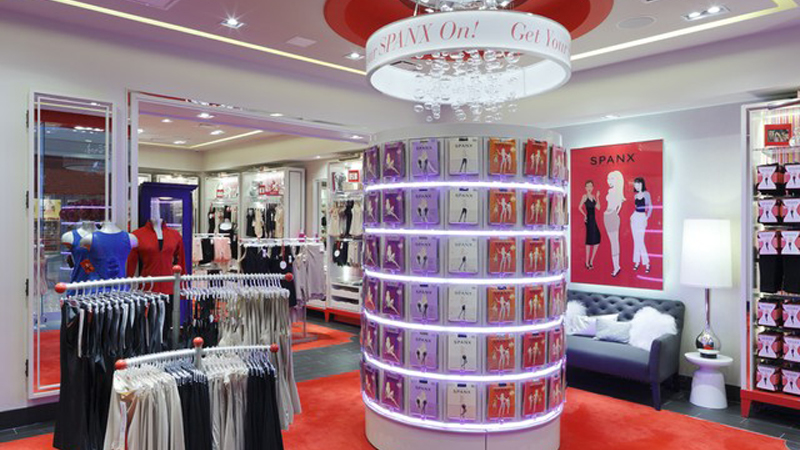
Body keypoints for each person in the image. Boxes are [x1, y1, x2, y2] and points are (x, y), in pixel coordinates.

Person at [604, 171, 625, 277]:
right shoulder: (613, 191)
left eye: (612, 178)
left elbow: (618, 206)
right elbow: (619, 206)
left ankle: (616, 267)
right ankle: (616, 266)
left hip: (611, 216)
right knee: (613, 242)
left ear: (617, 180)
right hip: (608, 216)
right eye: (608, 178)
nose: (609, 181)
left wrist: (614, 213)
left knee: (614, 242)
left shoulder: (615, 191)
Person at [630, 177, 653, 273]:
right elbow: (636, 207)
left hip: (642, 217)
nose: (637, 186)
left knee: (640, 241)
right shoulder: (635, 196)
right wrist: (632, 216)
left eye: (638, 184)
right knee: (636, 241)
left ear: (642, 184)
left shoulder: (646, 194)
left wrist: (646, 218)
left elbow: (650, 207)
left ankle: (647, 263)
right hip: (635, 217)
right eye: (635, 184)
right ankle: (637, 262)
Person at [578, 180, 602, 269]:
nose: (589, 188)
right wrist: (585, 215)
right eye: (587, 186)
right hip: (588, 219)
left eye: (591, 186)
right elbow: (579, 207)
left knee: (597, 238)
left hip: (593, 219)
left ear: (593, 187)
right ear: (585, 188)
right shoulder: (584, 196)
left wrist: (597, 197)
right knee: (588, 241)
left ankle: (591, 260)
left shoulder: (593, 197)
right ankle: (587, 262)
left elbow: (598, 207)